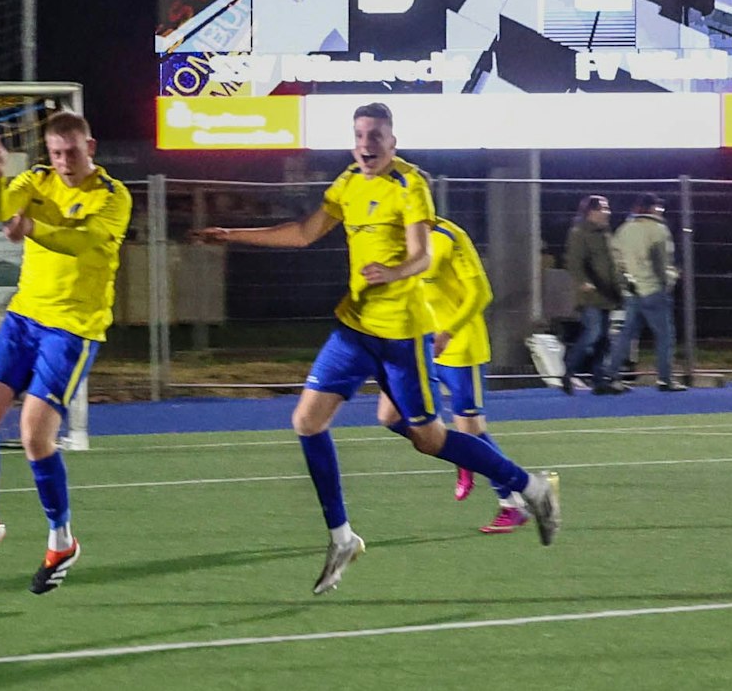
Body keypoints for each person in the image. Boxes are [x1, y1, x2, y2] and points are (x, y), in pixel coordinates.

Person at [195, 102, 558, 595]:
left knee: (430, 439)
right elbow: (304, 233)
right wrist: (233, 235)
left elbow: (421, 255)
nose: (367, 144)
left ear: (392, 140)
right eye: (361, 135)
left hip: (401, 335)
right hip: (355, 328)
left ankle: (530, 487)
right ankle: (342, 537)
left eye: (377, 136)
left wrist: (394, 272)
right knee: (306, 421)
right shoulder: (347, 181)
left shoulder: (410, 185)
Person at [0, 113, 131, 594]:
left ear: (89, 145)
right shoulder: (36, 179)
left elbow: (86, 241)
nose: (64, 162)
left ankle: (61, 541)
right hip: (23, 318)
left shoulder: (112, 196)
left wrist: (32, 227)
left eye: (72, 152)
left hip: (72, 328)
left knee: (35, 435)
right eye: (56, 153)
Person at [375, 216, 535, 534]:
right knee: (389, 416)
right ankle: (461, 454)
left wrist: (447, 333)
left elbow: (481, 293)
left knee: (473, 430)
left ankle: (514, 503)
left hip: (459, 346)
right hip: (416, 345)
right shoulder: (389, 237)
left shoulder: (450, 236)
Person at [609, 192, 684, 392]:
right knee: (665, 336)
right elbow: (661, 262)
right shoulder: (659, 230)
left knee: (626, 336)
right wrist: (669, 280)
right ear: (651, 208)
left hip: (633, 291)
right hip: (653, 290)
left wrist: (625, 282)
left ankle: (611, 375)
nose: (660, 210)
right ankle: (665, 379)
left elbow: (616, 260)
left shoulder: (624, 229)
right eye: (658, 207)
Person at [562, 194, 626, 395]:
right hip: (591, 294)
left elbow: (611, 263)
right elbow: (574, 261)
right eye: (603, 208)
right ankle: (568, 370)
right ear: (591, 211)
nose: (608, 212)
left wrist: (619, 286)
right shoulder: (579, 233)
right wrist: (583, 282)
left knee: (603, 339)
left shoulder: (605, 233)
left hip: (607, 293)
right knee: (593, 333)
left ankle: (599, 380)